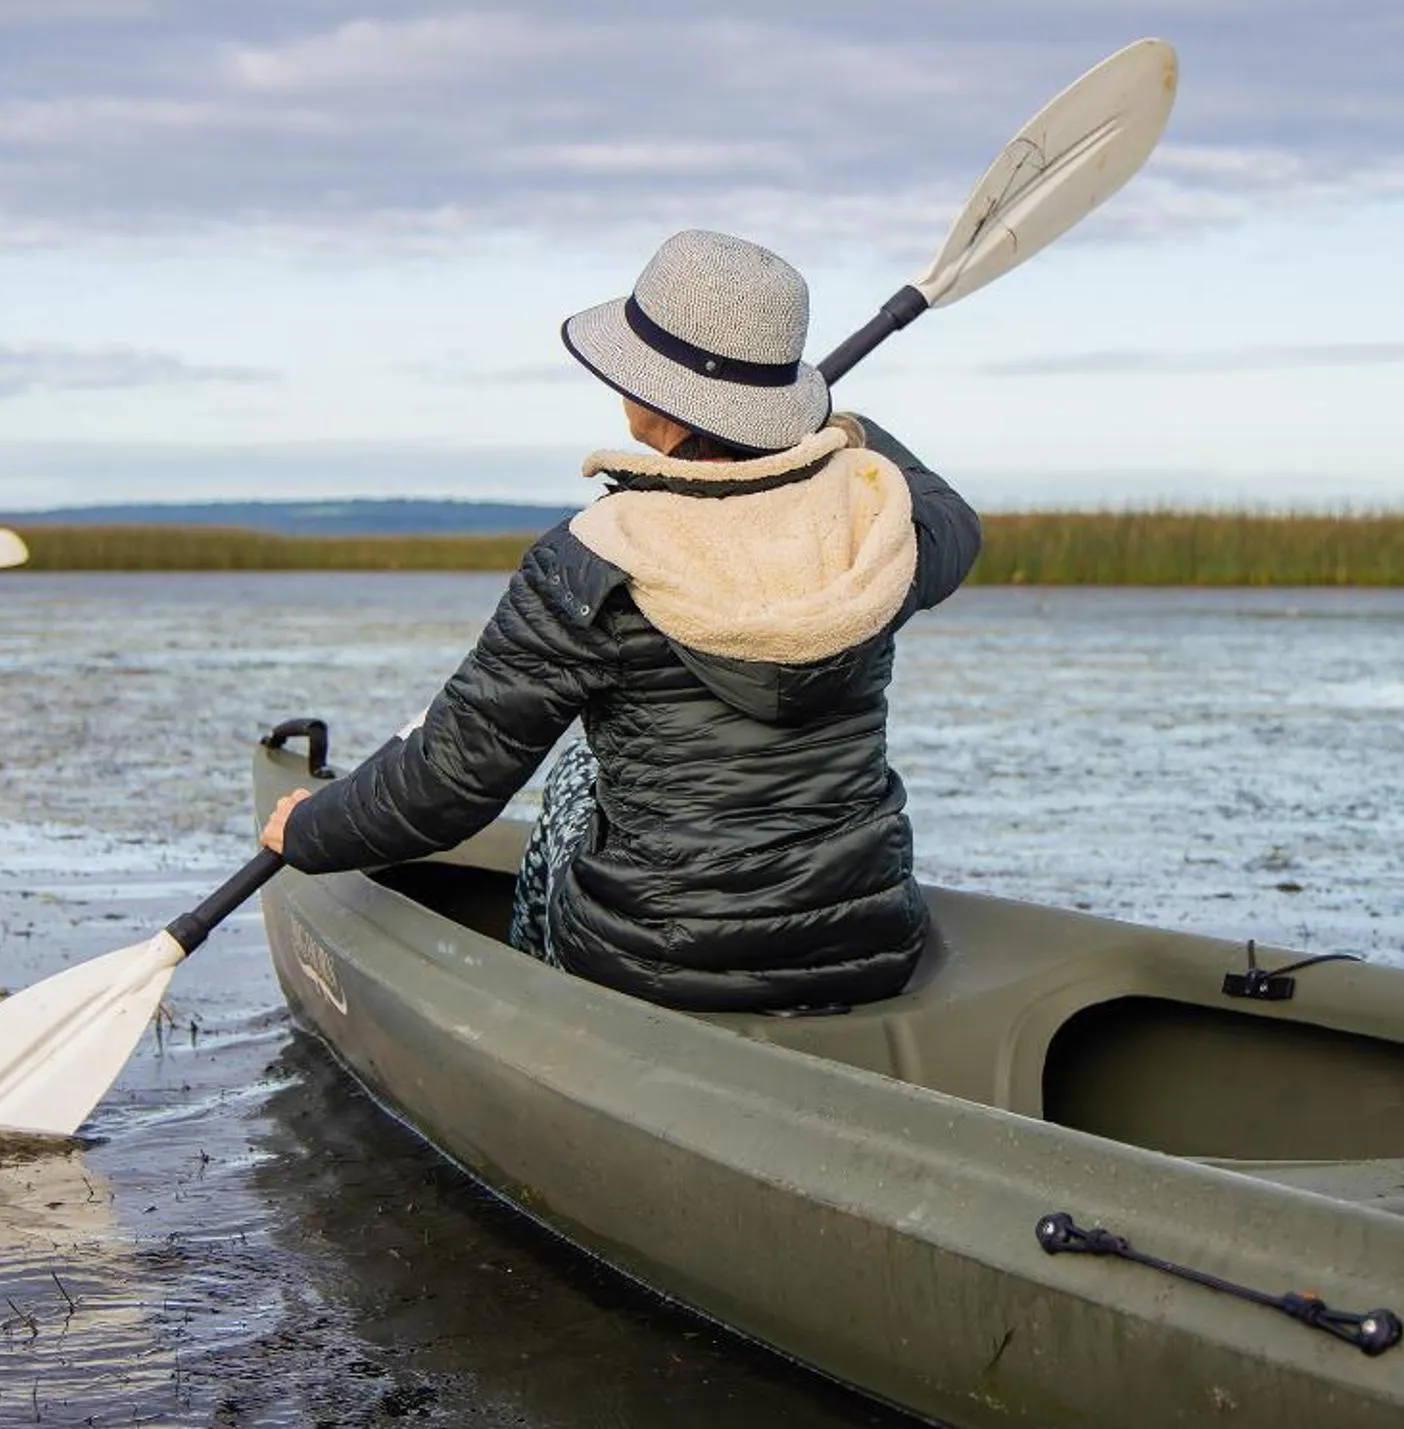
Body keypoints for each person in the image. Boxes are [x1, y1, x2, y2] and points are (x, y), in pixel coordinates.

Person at [259, 229, 981, 1014]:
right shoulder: (871, 530)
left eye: (633, 373)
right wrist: (833, 428)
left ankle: (545, 1010)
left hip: (656, 964)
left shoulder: (593, 559)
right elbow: (949, 513)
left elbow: (451, 785)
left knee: (574, 777)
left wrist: (310, 829)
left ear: (664, 405)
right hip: (867, 946)